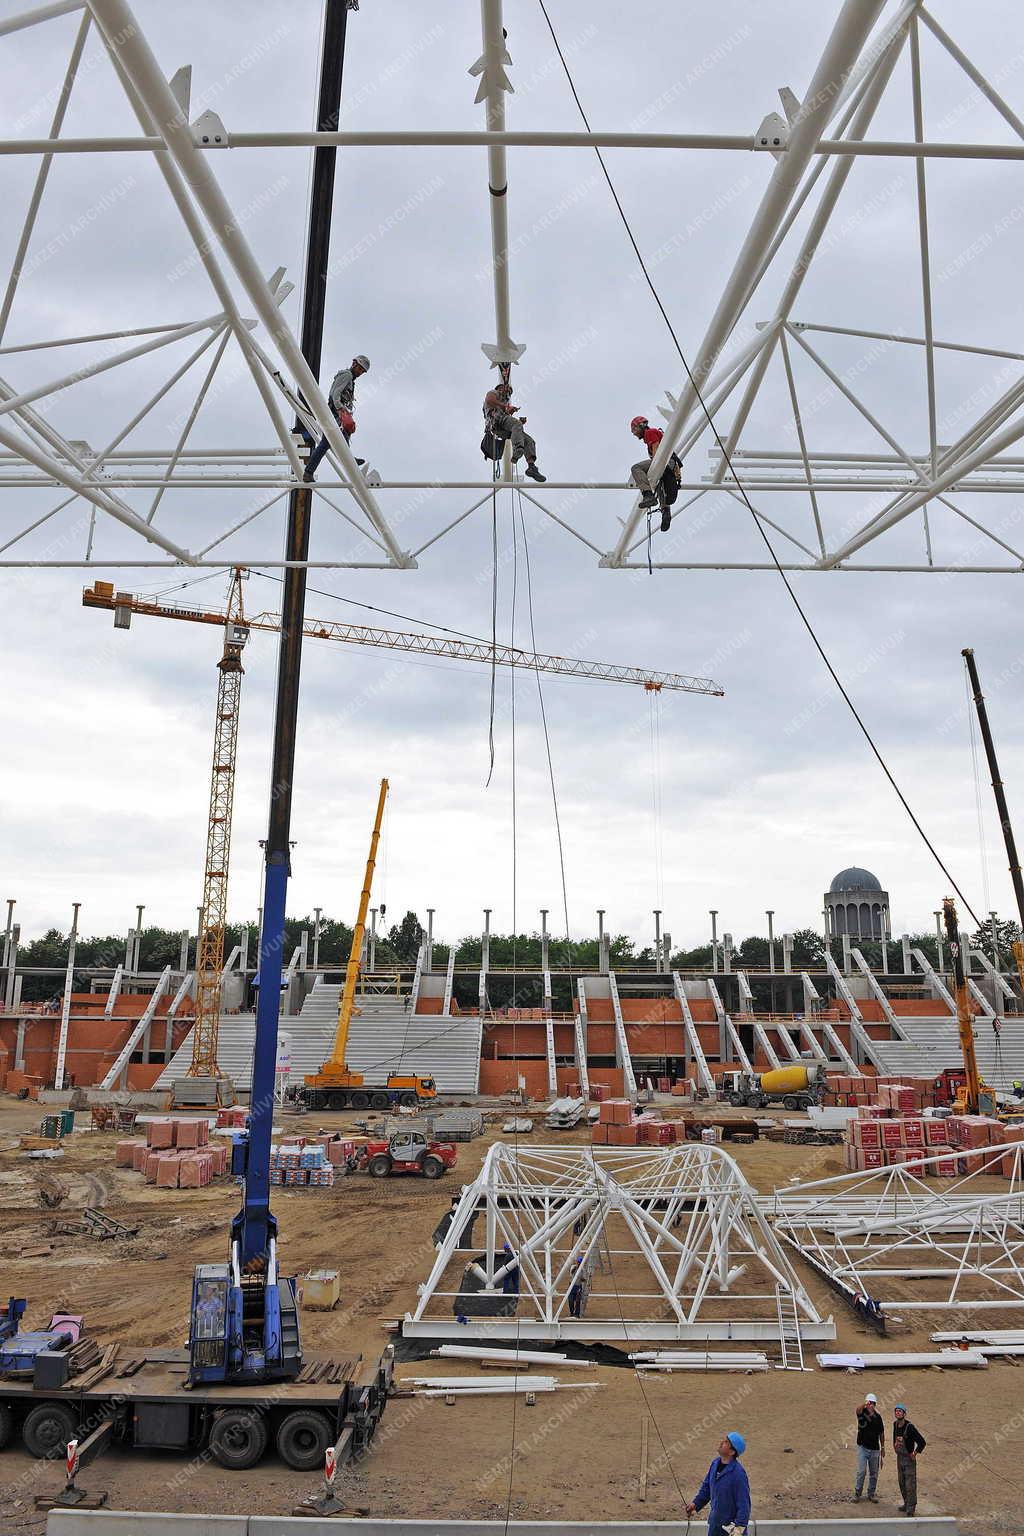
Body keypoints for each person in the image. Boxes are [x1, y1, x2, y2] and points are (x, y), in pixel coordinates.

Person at [303, 354, 370, 481]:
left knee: (326, 443)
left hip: (335, 413)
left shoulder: (350, 378)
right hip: (334, 413)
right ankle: (349, 462)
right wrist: (340, 410)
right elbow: (335, 394)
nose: (360, 372)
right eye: (360, 369)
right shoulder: (347, 375)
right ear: (354, 364)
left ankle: (309, 472)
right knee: (338, 437)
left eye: (363, 371)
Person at [685, 1432, 751, 1536]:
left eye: (726, 1442)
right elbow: (707, 1488)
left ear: (732, 1452)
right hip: (715, 1526)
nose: (721, 1443)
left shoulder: (738, 1474)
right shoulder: (715, 1464)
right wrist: (696, 1504)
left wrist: (739, 1528)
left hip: (731, 1531)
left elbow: (744, 1504)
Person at [482, 383, 546, 480]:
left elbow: (512, 425)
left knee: (529, 440)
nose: (508, 394)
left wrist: (517, 420)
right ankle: (518, 449)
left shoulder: (503, 404)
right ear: (500, 388)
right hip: (496, 421)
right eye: (508, 391)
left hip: (502, 426)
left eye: (510, 393)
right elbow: (489, 400)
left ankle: (531, 467)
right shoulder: (494, 393)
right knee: (517, 425)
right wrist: (505, 407)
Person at [629, 416, 680, 531]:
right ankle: (665, 511)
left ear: (641, 426)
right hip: (669, 465)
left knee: (636, 468)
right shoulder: (652, 434)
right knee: (660, 485)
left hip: (664, 462)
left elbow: (657, 452)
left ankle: (648, 495)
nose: (634, 433)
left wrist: (656, 465)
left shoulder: (650, 433)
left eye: (634, 430)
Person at [892, 1403, 926, 1517]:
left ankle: (911, 1508)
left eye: (900, 1411)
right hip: (900, 1458)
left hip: (909, 1459)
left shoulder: (909, 1427)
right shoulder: (895, 1425)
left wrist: (915, 1453)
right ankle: (906, 1504)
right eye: (896, 1411)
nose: (898, 1413)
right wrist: (895, 1446)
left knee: (910, 1484)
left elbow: (922, 1442)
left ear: (904, 1414)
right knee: (901, 1483)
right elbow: (894, 1438)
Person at [854, 1392, 884, 1503]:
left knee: (874, 1473)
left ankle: (871, 1493)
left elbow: (881, 1433)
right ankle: (857, 1493)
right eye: (869, 1403)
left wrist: (883, 1447)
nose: (871, 1405)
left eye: (873, 1403)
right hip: (863, 1447)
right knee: (861, 1471)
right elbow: (857, 1410)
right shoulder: (862, 1413)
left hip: (875, 1449)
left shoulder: (878, 1418)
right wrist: (865, 1403)